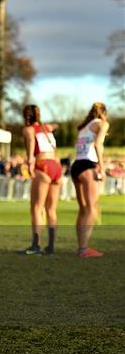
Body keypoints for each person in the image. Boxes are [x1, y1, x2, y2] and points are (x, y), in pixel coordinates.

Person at [70, 102, 109, 258]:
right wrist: (102, 166)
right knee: (91, 209)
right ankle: (84, 249)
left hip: (77, 166)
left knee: (83, 209)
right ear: (104, 113)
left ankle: (81, 247)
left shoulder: (84, 127)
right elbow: (98, 145)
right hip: (88, 165)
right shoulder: (103, 124)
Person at [22, 105, 62, 255]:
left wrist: (30, 166)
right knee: (51, 210)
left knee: (36, 208)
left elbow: (31, 151)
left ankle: (36, 245)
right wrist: (52, 127)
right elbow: (56, 125)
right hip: (56, 167)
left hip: (42, 165)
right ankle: (51, 246)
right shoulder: (47, 128)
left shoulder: (28, 130)